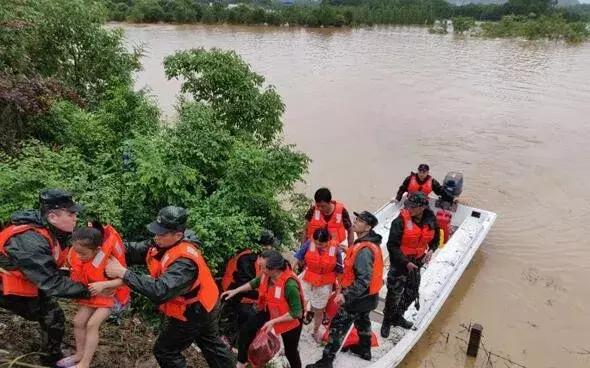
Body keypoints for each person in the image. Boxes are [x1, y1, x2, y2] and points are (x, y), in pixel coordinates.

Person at [105, 206, 233, 368]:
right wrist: (109, 247)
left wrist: (124, 273)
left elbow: (161, 291)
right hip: (205, 303)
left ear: (178, 235)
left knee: (165, 351)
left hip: (194, 310)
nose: (156, 237)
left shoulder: (184, 263)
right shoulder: (163, 243)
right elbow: (134, 251)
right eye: (156, 231)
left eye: (161, 233)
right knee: (211, 345)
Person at [0, 189, 95, 366]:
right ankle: (50, 359)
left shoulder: (53, 230)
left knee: (51, 313)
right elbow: (51, 283)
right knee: (53, 314)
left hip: (25, 277)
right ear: (52, 217)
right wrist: (89, 291)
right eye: (71, 213)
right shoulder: (30, 241)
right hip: (4, 285)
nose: (76, 217)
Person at [306, 211, 384, 368]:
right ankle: (365, 350)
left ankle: (326, 361)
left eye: (360, 221)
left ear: (368, 227)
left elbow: (363, 280)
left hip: (356, 298)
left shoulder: (364, 250)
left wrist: (345, 296)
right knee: (363, 322)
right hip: (370, 298)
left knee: (338, 327)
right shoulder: (367, 245)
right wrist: (347, 250)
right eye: (356, 219)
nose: (355, 222)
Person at [57, 227, 129, 368]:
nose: (78, 256)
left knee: (92, 324)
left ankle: (85, 363)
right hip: (94, 295)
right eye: (76, 252)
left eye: (83, 254)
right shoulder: (77, 254)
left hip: (112, 297)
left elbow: (124, 280)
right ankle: (79, 354)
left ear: (97, 250)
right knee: (78, 321)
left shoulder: (108, 261)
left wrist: (104, 284)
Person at [221, 250, 304, 368]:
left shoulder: (290, 285)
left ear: (274, 269)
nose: (261, 270)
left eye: (263, 267)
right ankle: (241, 362)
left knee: (291, 351)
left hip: (290, 319)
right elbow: (254, 283)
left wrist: (273, 322)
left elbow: (297, 313)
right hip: (270, 309)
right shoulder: (266, 275)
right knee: (246, 329)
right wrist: (235, 291)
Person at [381, 192, 440, 338]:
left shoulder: (431, 221)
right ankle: (387, 320)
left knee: (412, 293)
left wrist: (431, 251)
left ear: (422, 207)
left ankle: (398, 316)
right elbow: (392, 246)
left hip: (417, 263)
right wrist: (406, 262)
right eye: (407, 205)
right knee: (394, 294)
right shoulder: (400, 221)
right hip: (400, 264)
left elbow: (435, 240)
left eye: (413, 206)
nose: (409, 209)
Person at [219, 229, 279, 346]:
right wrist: (262, 296)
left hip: (245, 293)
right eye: (270, 246)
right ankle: (232, 339)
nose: (272, 249)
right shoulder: (247, 259)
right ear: (264, 246)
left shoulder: (257, 257)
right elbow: (243, 285)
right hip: (233, 294)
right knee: (251, 315)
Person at [294, 228, 343, 343]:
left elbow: (340, 271)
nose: (317, 245)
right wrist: (290, 273)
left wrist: (339, 290)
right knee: (299, 306)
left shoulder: (335, 250)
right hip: (307, 280)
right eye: (316, 243)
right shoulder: (309, 243)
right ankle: (296, 330)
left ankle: (315, 331)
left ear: (328, 241)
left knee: (319, 309)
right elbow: (297, 257)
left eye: (321, 244)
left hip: (324, 284)